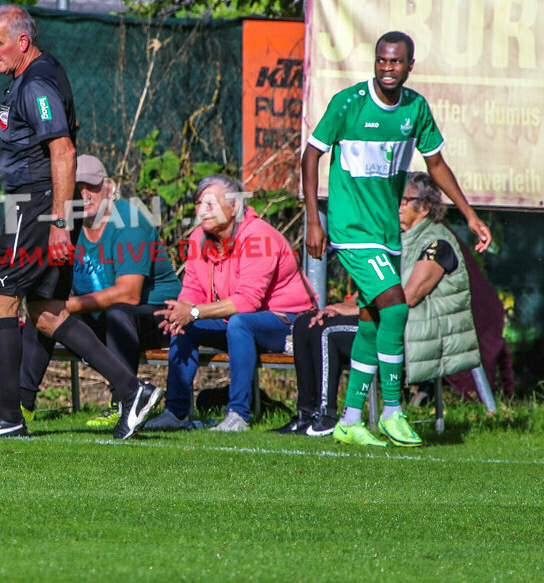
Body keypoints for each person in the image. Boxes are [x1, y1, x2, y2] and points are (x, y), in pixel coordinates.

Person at [0, 3, 162, 440]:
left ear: (22, 42)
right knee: (46, 313)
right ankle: (131, 390)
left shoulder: (36, 85)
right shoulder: (35, 64)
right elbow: (2, 36)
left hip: (38, 206)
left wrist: (59, 223)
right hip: (42, 205)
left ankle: (9, 416)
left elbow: (63, 152)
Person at [302, 30, 492, 448]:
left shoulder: (415, 108)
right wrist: (314, 219)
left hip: (387, 232)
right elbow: (311, 154)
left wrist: (470, 214)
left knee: (372, 321)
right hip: (352, 230)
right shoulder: (349, 103)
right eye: (381, 60)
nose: (387, 68)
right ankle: (392, 411)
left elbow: (436, 164)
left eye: (395, 62)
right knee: (396, 306)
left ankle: (350, 420)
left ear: (410, 66)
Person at [279, 171, 495, 437]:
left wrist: (352, 310)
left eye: (405, 200)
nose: (397, 205)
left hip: (416, 330)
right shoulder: (397, 239)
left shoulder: (438, 242)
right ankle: (305, 415)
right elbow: (377, 288)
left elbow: (408, 296)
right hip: (389, 319)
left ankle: (326, 418)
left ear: (425, 207)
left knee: (328, 333)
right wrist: (339, 307)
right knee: (307, 323)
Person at [18, 154, 182, 428]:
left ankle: (124, 402)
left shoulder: (129, 221)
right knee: (42, 312)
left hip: (159, 317)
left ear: (109, 187)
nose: (84, 195)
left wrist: (66, 307)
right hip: (101, 314)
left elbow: (129, 294)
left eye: (92, 187)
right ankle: (21, 406)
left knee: (118, 312)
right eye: (77, 188)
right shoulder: (65, 226)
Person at [146, 174, 316, 432]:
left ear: (234, 206)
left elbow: (248, 302)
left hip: (288, 322)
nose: (202, 211)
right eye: (199, 204)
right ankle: (176, 413)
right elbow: (192, 288)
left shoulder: (259, 236)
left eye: (210, 204)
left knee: (239, 323)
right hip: (239, 321)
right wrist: (182, 311)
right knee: (185, 326)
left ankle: (238, 415)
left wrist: (194, 311)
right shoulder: (198, 238)